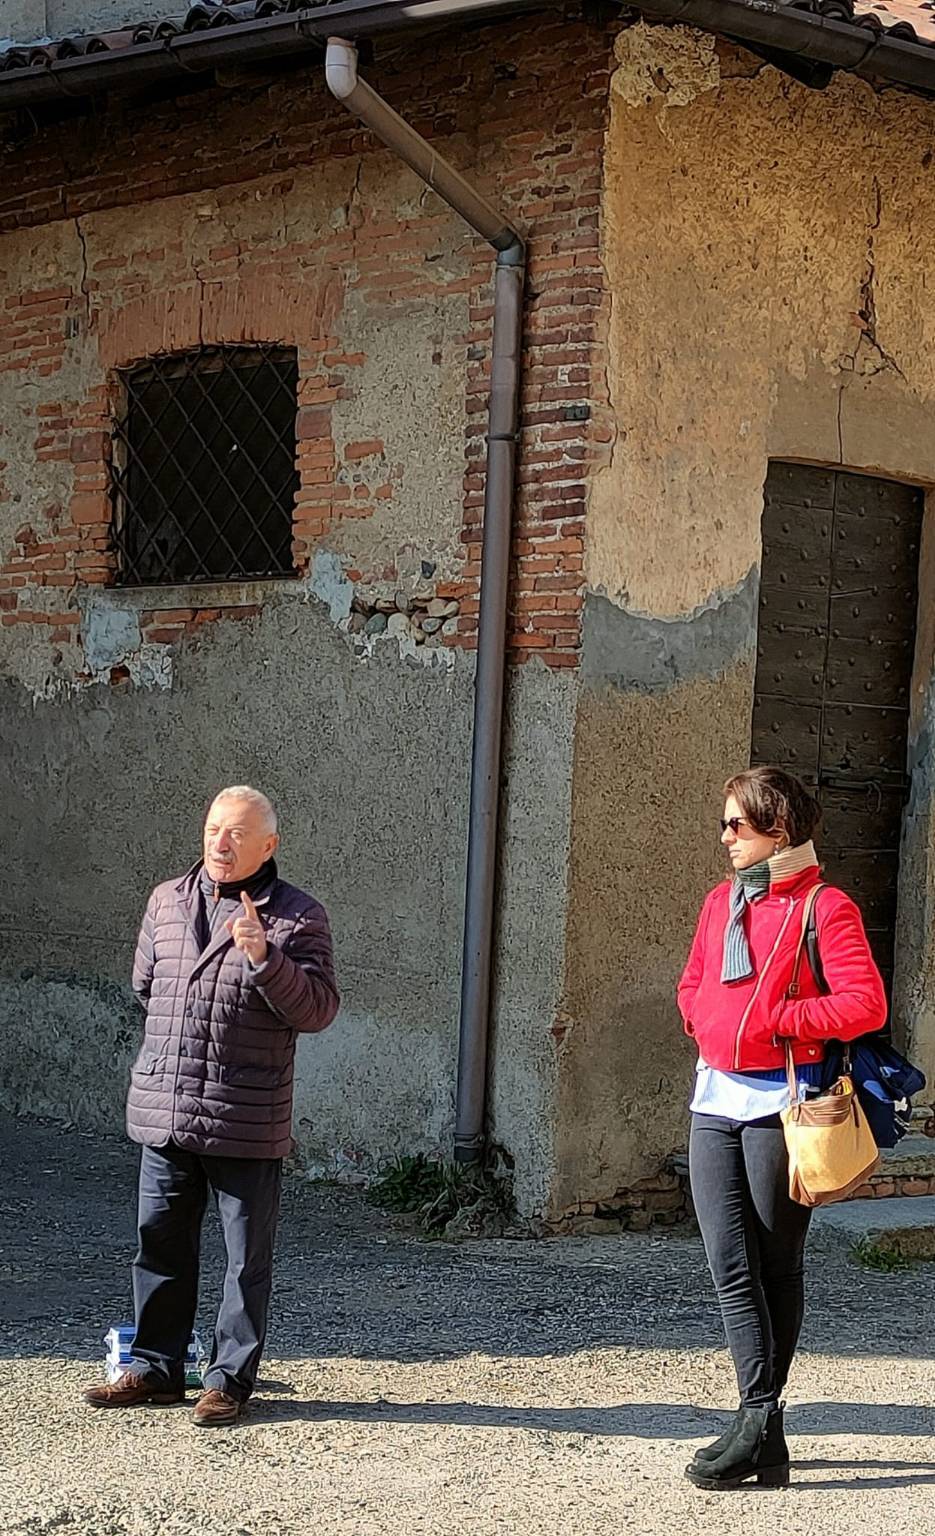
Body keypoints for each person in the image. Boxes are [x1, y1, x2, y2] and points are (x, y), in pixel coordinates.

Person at [83, 785, 339, 1427]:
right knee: (159, 1243)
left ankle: (227, 1380)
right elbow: (149, 989)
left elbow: (316, 1009)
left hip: (244, 1115)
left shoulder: (297, 917)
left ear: (268, 845)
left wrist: (263, 957)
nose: (220, 843)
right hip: (168, 1109)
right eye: (213, 829)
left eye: (237, 833)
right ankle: (153, 1367)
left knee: (244, 1259)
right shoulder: (166, 901)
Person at [677, 766, 886, 1490]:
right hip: (713, 1104)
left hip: (783, 1107)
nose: (725, 837)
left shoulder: (825, 907)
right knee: (728, 1264)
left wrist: (781, 1022)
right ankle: (760, 1420)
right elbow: (694, 981)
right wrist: (704, 1022)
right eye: (723, 823)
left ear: (779, 829)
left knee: (774, 1267)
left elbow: (864, 1004)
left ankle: (757, 1431)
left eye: (737, 824)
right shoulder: (718, 903)